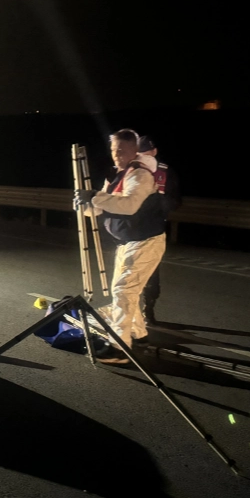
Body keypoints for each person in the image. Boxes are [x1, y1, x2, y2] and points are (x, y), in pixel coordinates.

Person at [78, 129, 166, 364]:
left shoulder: (140, 174)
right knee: (128, 292)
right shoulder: (118, 175)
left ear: (134, 151)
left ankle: (119, 348)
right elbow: (100, 208)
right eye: (114, 150)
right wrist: (85, 204)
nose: (117, 155)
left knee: (123, 291)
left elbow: (129, 206)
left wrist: (94, 197)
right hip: (127, 243)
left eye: (122, 150)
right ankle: (138, 334)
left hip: (146, 242)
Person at [136, 136, 181, 326]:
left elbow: (175, 201)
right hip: (128, 231)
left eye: (145, 152)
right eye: (138, 153)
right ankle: (130, 313)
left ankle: (148, 310)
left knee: (151, 273)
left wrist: (156, 202)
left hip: (153, 230)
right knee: (126, 274)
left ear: (154, 152)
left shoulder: (165, 173)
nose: (141, 157)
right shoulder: (128, 170)